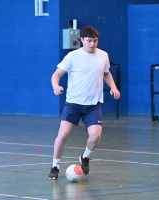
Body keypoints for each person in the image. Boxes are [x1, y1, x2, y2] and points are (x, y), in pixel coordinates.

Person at [49, 26, 120, 180]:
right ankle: (55, 166)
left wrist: (113, 87)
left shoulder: (103, 55)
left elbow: (106, 73)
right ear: (82, 40)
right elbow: (57, 74)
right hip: (73, 103)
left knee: (95, 136)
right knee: (63, 135)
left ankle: (85, 157)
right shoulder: (72, 56)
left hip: (93, 105)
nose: (92, 44)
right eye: (89, 41)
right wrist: (56, 86)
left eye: (95, 40)